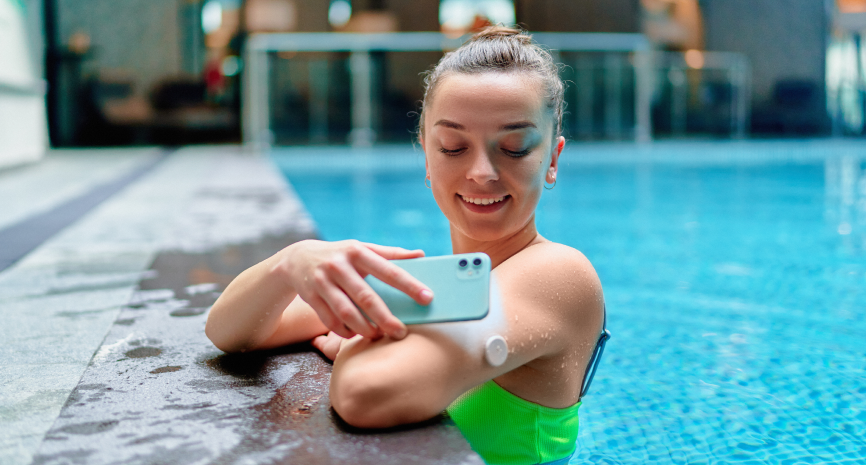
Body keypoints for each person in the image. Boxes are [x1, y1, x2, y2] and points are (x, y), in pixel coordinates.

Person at [205, 26, 606, 465]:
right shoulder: (441, 283)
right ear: (427, 156)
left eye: (514, 148)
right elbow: (229, 331)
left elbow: (367, 395)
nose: (481, 172)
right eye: (453, 147)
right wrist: (291, 261)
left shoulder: (560, 274)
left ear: (552, 159)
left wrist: (358, 340)